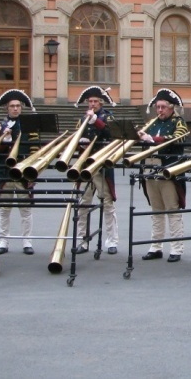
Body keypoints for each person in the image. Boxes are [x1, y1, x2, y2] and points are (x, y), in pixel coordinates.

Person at [138, 88, 189, 263]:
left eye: (162, 107)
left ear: (171, 108)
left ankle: (176, 248)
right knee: (156, 209)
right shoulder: (153, 123)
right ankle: (156, 246)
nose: (159, 111)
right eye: (157, 107)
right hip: (150, 169)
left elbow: (179, 138)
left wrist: (154, 140)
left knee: (172, 209)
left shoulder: (178, 122)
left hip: (168, 170)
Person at [74, 86, 119, 255]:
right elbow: (76, 135)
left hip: (102, 164)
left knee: (107, 203)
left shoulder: (108, 116)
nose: (92, 104)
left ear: (101, 102)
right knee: (83, 204)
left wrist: (97, 122)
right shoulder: (83, 118)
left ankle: (112, 241)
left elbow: (112, 133)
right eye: (90, 102)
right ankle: (82, 240)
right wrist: (81, 142)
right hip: (86, 165)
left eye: (95, 101)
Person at [0, 89, 36, 255]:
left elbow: (35, 149)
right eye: (12, 106)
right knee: (4, 209)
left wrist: (32, 173)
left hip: (24, 173)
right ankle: (3, 241)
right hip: (5, 172)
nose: (15, 109)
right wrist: (4, 140)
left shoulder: (30, 126)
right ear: (7, 108)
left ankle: (27, 242)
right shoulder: (0, 126)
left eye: (18, 106)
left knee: (25, 209)